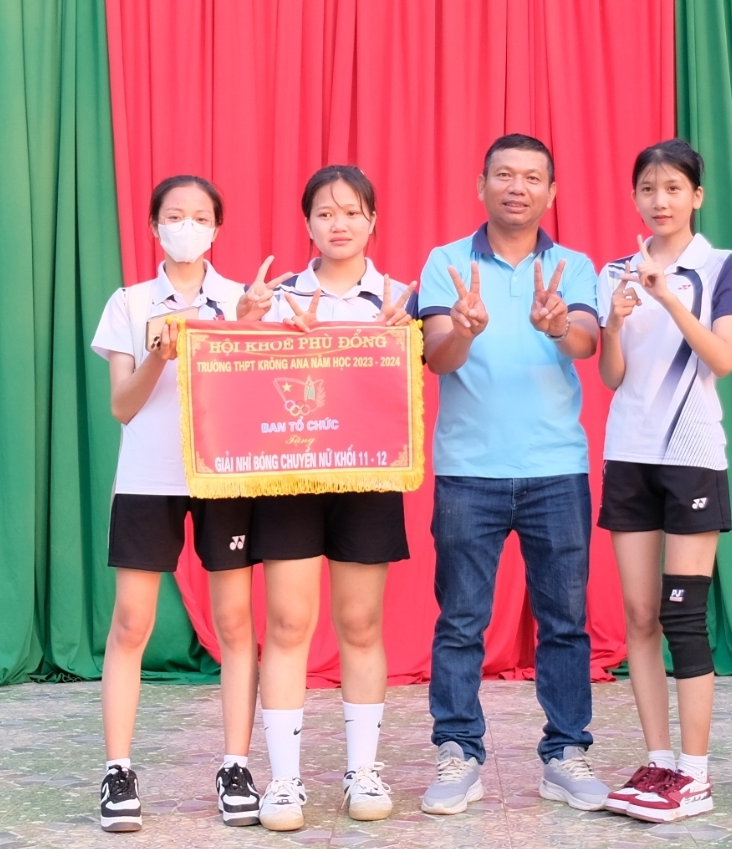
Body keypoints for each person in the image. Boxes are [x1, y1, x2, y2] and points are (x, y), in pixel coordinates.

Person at [416, 133, 609, 815]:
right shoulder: (444, 262)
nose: (516, 187)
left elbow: (587, 341)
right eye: (504, 174)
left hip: (556, 468)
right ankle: (458, 750)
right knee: (460, 619)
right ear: (481, 185)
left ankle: (565, 752)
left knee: (565, 621)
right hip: (468, 470)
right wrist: (464, 329)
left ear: (551, 192)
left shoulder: (573, 266)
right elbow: (436, 358)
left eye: (531, 177)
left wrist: (557, 325)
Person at [237, 165, 418, 831]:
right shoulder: (279, 297)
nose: (338, 223)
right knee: (287, 624)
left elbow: (416, 386)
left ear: (373, 221)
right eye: (324, 212)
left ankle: (362, 770)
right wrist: (254, 327)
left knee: (361, 624)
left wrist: (403, 338)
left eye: (351, 212)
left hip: (367, 478)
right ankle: (283, 781)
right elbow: (241, 385)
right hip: (290, 476)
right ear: (307, 223)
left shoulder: (399, 298)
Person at [90, 176, 261, 832]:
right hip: (147, 477)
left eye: (199, 217)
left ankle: (236, 765)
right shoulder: (129, 304)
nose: (186, 226)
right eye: (174, 215)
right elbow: (122, 407)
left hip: (224, 475)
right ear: (154, 226)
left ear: (217, 228)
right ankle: (118, 770)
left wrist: (248, 327)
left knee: (235, 622)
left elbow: (259, 393)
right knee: (131, 623)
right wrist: (159, 357)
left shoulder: (242, 300)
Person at [595, 140, 732, 823]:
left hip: (691, 455)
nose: (659, 201)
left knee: (681, 615)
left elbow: (723, 359)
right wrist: (614, 321)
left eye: (672, 188)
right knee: (638, 615)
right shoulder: (614, 271)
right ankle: (659, 759)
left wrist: (668, 300)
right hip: (628, 455)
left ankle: (695, 771)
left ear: (696, 196)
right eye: (647, 189)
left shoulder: (721, 267)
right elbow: (610, 375)